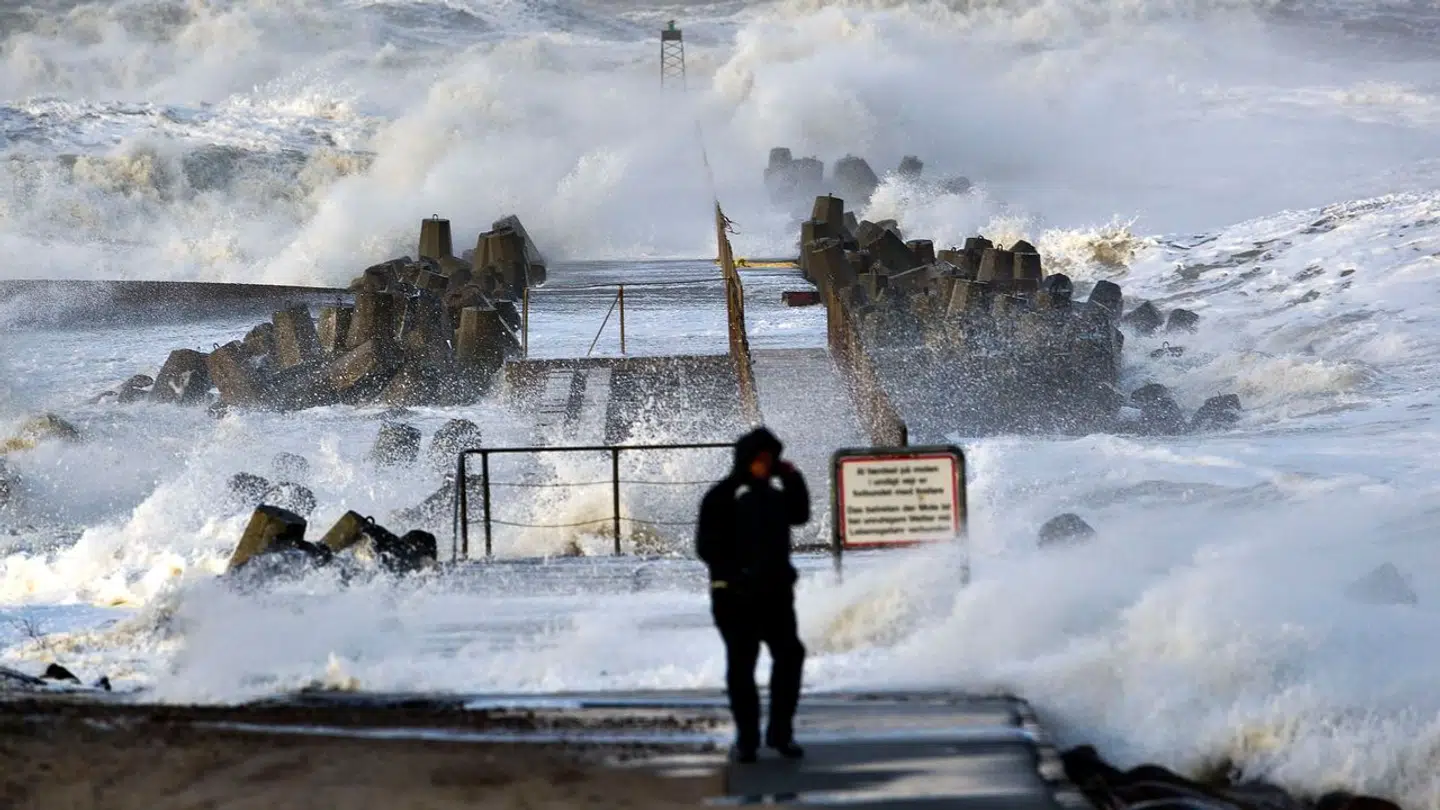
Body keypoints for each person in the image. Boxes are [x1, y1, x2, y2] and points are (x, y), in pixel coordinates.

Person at [696, 426, 810, 763]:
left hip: (776, 595)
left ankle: (781, 734)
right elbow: (707, 548)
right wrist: (738, 577)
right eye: (761, 459)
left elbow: (800, 514)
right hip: (735, 596)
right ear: (746, 460)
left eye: (771, 459)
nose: (766, 464)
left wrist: (792, 477)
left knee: (790, 657)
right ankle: (747, 739)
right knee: (742, 665)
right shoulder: (722, 496)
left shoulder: (774, 497)